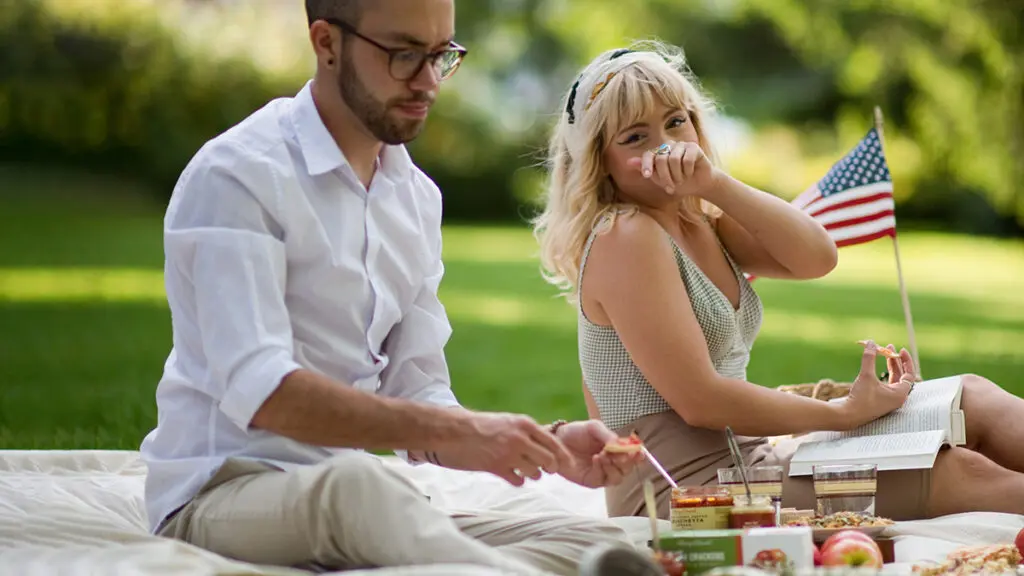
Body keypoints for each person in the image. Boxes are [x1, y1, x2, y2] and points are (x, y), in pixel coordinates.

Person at [139, 2, 665, 575]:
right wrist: (461, 429)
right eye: (405, 55)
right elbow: (263, 393)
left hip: (361, 500)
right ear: (327, 43)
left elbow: (418, 393)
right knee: (356, 487)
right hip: (221, 497)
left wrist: (545, 443)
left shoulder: (414, 196)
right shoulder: (238, 176)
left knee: (600, 540)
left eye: (441, 55)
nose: (428, 81)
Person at [531, 39, 1024, 523]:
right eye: (635, 138)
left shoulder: (699, 216)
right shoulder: (625, 235)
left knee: (972, 396)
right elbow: (701, 401)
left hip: (749, 459)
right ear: (601, 162)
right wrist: (846, 413)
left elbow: (817, 256)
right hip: (682, 490)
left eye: (676, 122)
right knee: (956, 472)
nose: (666, 145)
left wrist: (714, 183)